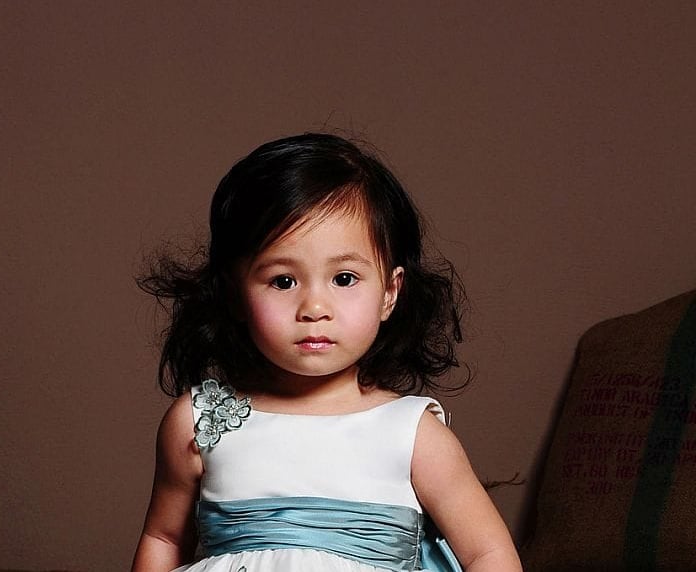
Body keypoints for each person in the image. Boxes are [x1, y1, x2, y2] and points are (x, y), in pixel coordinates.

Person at [131, 133, 522, 572]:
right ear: (236, 294)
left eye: (344, 279)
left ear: (390, 293)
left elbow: (488, 553)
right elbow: (163, 538)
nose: (315, 308)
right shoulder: (198, 421)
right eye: (283, 281)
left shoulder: (413, 435)